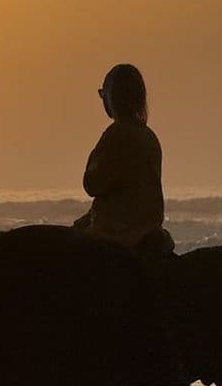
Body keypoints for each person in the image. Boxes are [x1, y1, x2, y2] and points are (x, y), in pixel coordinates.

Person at [74, 64, 174, 253]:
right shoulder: (149, 136)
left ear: (113, 97)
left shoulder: (116, 134)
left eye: (103, 94)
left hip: (119, 235)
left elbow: (92, 184)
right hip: (149, 230)